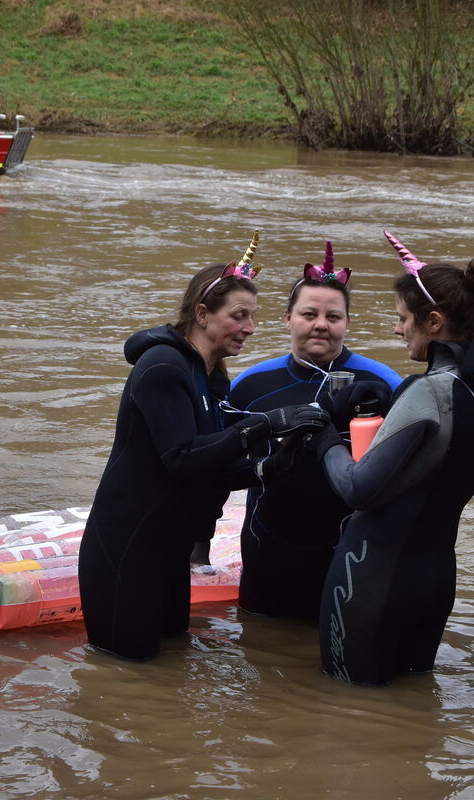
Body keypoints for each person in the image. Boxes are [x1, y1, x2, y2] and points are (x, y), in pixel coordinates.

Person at [304, 231, 474, 685]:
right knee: (413, 709)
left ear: (433, 322)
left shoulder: (430, 391)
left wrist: (323, 437)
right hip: (435, 578)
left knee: (348, 715)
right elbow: (435, 462)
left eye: (402, 319)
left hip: (371, 577)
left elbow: (358, 488)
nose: (397, 329)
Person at [77, 234, 329, 661]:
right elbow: (183, 459)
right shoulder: (162, 367)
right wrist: (264, 424)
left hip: (170, 550)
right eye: (239, 316)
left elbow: (211, 467)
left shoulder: (211, 377)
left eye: (253, 316)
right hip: (128, 548)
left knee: (174, 664)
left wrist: (271, 466)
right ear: (201, 314)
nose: (250, 327)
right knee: (126, 679)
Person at [227, 242, 401, 619]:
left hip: (350, 552)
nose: (321, 324)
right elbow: (218, 468)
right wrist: (197, 545)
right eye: (309, 313)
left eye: (333, 316)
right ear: (288, 318)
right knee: (259, 648)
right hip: (267, 547)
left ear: (348, 323)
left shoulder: (384, 384)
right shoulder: (250, 386)